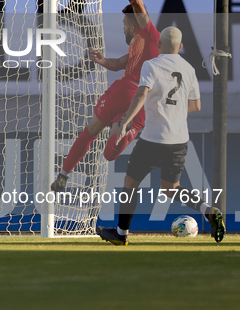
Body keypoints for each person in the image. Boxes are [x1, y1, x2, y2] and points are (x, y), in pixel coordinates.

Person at [96, 26, 225, 245]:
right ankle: (208, 210)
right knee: (171, 188)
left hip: (153, 139)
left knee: (130, 183)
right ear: (181, 47)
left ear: (158, 45)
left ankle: (121, 233)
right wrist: (172, 110)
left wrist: (125, 122)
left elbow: (141, 94)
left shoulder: (152, 64)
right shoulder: (189, 68)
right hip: (178, 141)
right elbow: (196, 105)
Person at [51, 0, 160, 193]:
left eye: (124, 24)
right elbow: (120, 63)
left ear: (133, 26)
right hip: (140, 104)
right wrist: (102, 61)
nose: (122, 28)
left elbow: (136, 0)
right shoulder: (141, 47)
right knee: (109, 154)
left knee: (90, 132)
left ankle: (63, 174)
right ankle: (124, 128)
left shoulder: (148, 33)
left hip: (124, 92)